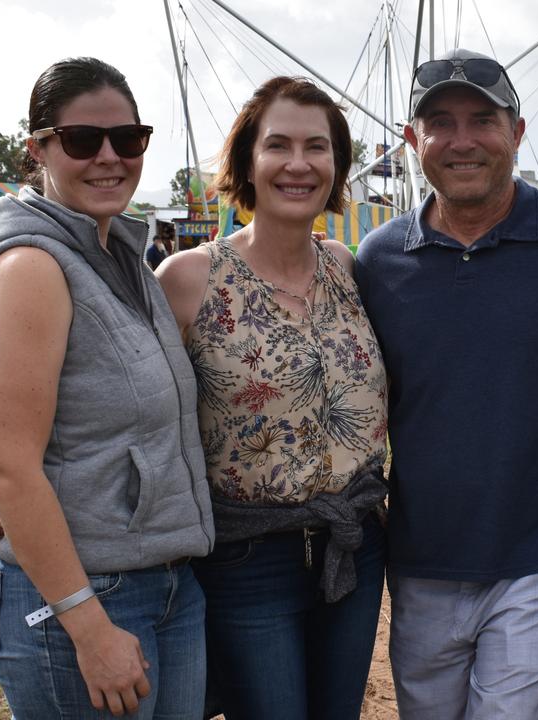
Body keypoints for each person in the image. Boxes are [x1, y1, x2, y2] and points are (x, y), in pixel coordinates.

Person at [353, 49, 538, 719]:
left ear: (518, 132)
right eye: (440, 123)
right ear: (411, 139)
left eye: (483, 120)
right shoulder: (380, 257)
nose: (462, 140)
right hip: (420, 561)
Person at [0, 56, 214, 718]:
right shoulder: (30, 268)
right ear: (38, 148)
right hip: (86, 598)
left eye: (127, 139)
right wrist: (87, 625)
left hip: (164, 584)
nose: (109, 157)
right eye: (81, 140)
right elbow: (11, 468)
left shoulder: (120, 256)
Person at [155, 76, 388, 720]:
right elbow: (130, 398)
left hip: (354, 545)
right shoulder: (190, 278)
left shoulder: (346, 266)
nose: (297, 163)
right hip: (247, 556)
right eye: (277, 144)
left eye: (317, 146)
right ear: (247, 162)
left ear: (336, 164)